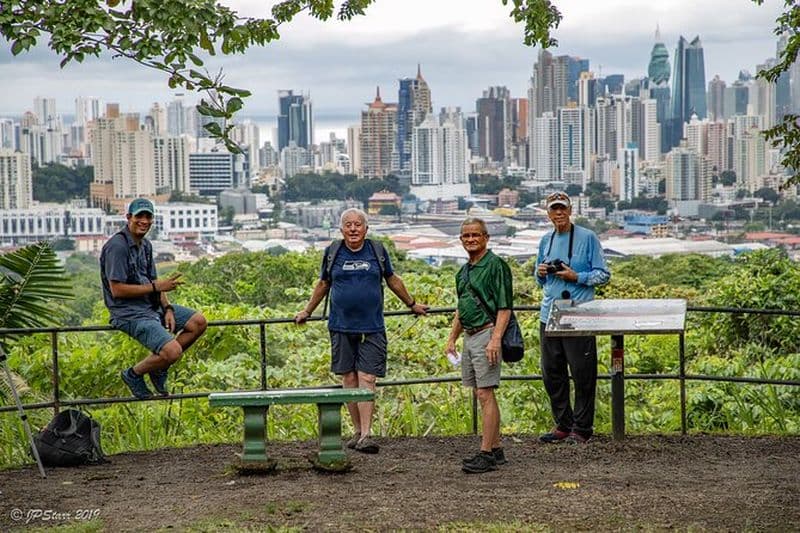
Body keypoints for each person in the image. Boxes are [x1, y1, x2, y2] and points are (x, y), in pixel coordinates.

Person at [294, 208, 428, 454]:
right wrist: (307, 311)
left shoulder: (376, 251)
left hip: (372, 326)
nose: (353, 229)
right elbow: (324, 283)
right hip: (340, 325)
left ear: (366, 229)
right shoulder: (333, 252)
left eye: (358, 224)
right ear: (341, 229)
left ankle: (367, 433)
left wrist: (412, 304)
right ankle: (357, 430)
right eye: (348, 225)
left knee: (367, 377)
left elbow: (392, 279)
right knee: (349, 378)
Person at [100, 198, 208, 399]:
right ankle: (134, 374)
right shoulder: (117, 247)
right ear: (128, 218)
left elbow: (155, 281)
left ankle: (159, 367)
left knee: (198, 322)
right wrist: (155, 287)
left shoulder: (145, 245)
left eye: (148, 217)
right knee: (173, 352)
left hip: (152, 307)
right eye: (139, 216)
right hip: (130, 314)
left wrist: (167, 308)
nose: (144, 221)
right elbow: (117, 290)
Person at [535, 191, 610, 444]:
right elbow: (539, 280)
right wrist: (543, 271)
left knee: (582, 372)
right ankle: (563, 425)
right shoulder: (546, 240)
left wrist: (576, 276)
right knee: (552, 372)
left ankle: (582, 428)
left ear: (570, 210)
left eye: (562, 208)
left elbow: (603, 274)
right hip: (550, 313)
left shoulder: (588, 238)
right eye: (554, 209)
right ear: (548, 213)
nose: (558, 213)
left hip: (580, 313)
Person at [446, 218, 514, 474]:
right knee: (479, 392)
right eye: (466, 236)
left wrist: (496, 338)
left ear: (486, 237)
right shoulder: (463, 272)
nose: (471, 240)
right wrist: (452, 338)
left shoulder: (495, 265)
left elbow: (504, 306)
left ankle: (485, 453)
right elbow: (462, 307)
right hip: (470, 334)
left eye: (476, 235)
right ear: (461, 240)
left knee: (486, 393)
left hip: (487, 331)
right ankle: (495, 449)